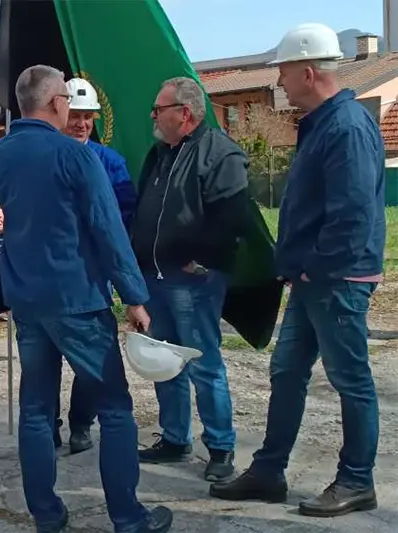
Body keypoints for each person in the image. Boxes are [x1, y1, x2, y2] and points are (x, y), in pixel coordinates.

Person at [0, 65, 172, 533]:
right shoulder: (75, 155)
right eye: (67, 101)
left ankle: (47, 516)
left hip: (27, 300)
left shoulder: (0, 154)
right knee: (115, 409)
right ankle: (128, 517)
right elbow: (107, 229)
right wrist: (135, 296)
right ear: (55, 103)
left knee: (35, 409)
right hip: (77, 299)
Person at [211, 23, 385, 518]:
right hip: (315, 279)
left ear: (308, 73)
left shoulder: (346, 127)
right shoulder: (324, 123)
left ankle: (356, 480)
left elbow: (352, 217)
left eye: (284, 72)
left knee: (350, 380)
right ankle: (269, 471)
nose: (279, 82)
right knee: (286, 372)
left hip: (336, 279)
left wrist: (312, 267)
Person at [126, 77, 250, 483]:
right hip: (155, 277)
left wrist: (201, 260)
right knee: (165, 362)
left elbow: (232, 216)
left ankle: (220, 447)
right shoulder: (160, 153)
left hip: (193, 281)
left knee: (203, 364)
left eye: (159, 109)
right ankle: (175, 438)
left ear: (185, 113)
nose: (153, 116)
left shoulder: (219, 154)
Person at [57, 77, 140, 454]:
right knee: (45, 359)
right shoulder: (46, 159)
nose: (81, 124)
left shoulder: (110, 162)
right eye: (75, 116)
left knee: (90, 360)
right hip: (54, 273)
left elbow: (125, 214)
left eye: (87, 117)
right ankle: (48, 428)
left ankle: (81, 423)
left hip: (94, 276)